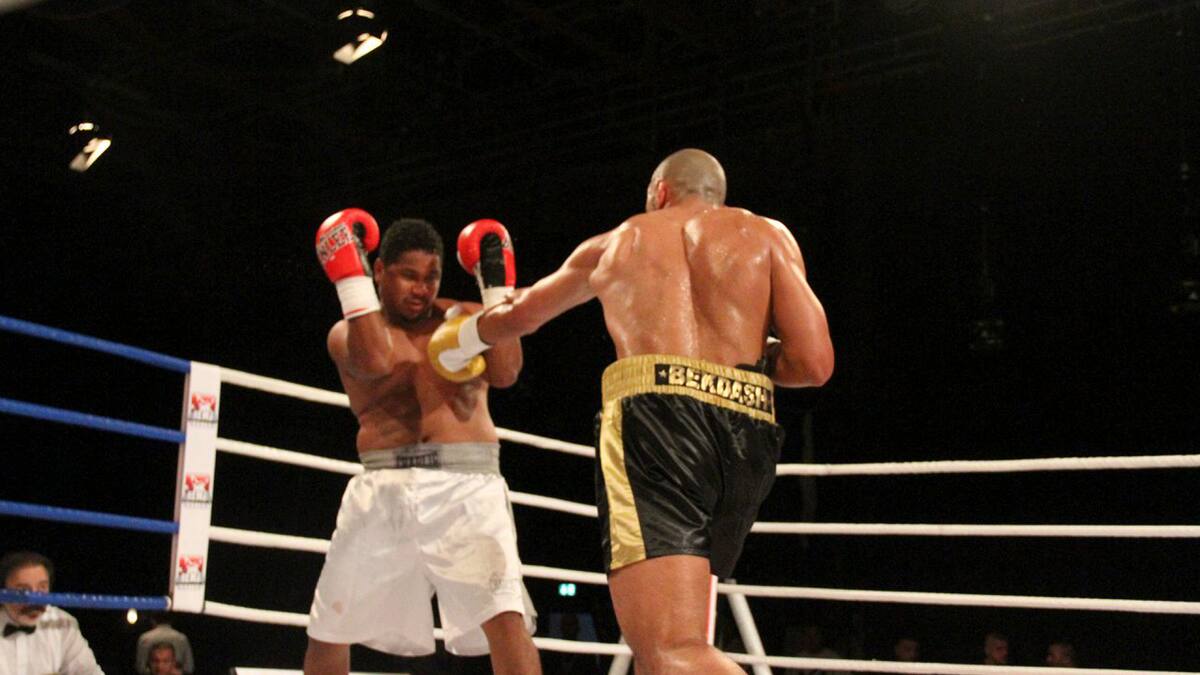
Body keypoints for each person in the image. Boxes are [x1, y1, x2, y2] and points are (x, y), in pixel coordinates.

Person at [428, 148, 835, 673]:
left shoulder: (619, 241)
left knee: (671, 649)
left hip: (658, 426)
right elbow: (813, 363)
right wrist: (741, 352)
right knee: (664, 647)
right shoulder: (768, 236)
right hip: (747, 430)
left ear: (660, 192)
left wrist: (459, 340)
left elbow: (519, 317)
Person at [305, 211, 541, 675]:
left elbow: (506, 372)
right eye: (408, 275)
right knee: (329, 627)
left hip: (466, 487)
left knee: (505, 620)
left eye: (431, 276)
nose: (422, 288)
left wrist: (496, 288)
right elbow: (375, 362)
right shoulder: (348, 335)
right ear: (378, 271)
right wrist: (350, 282)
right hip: (383, 490)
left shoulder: (462, 317)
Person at [0, 550, 103, 675]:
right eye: (22, 590)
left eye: (42, 587)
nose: (34, 600)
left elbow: (90, 672)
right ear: (3, 590)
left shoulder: (61, 623)